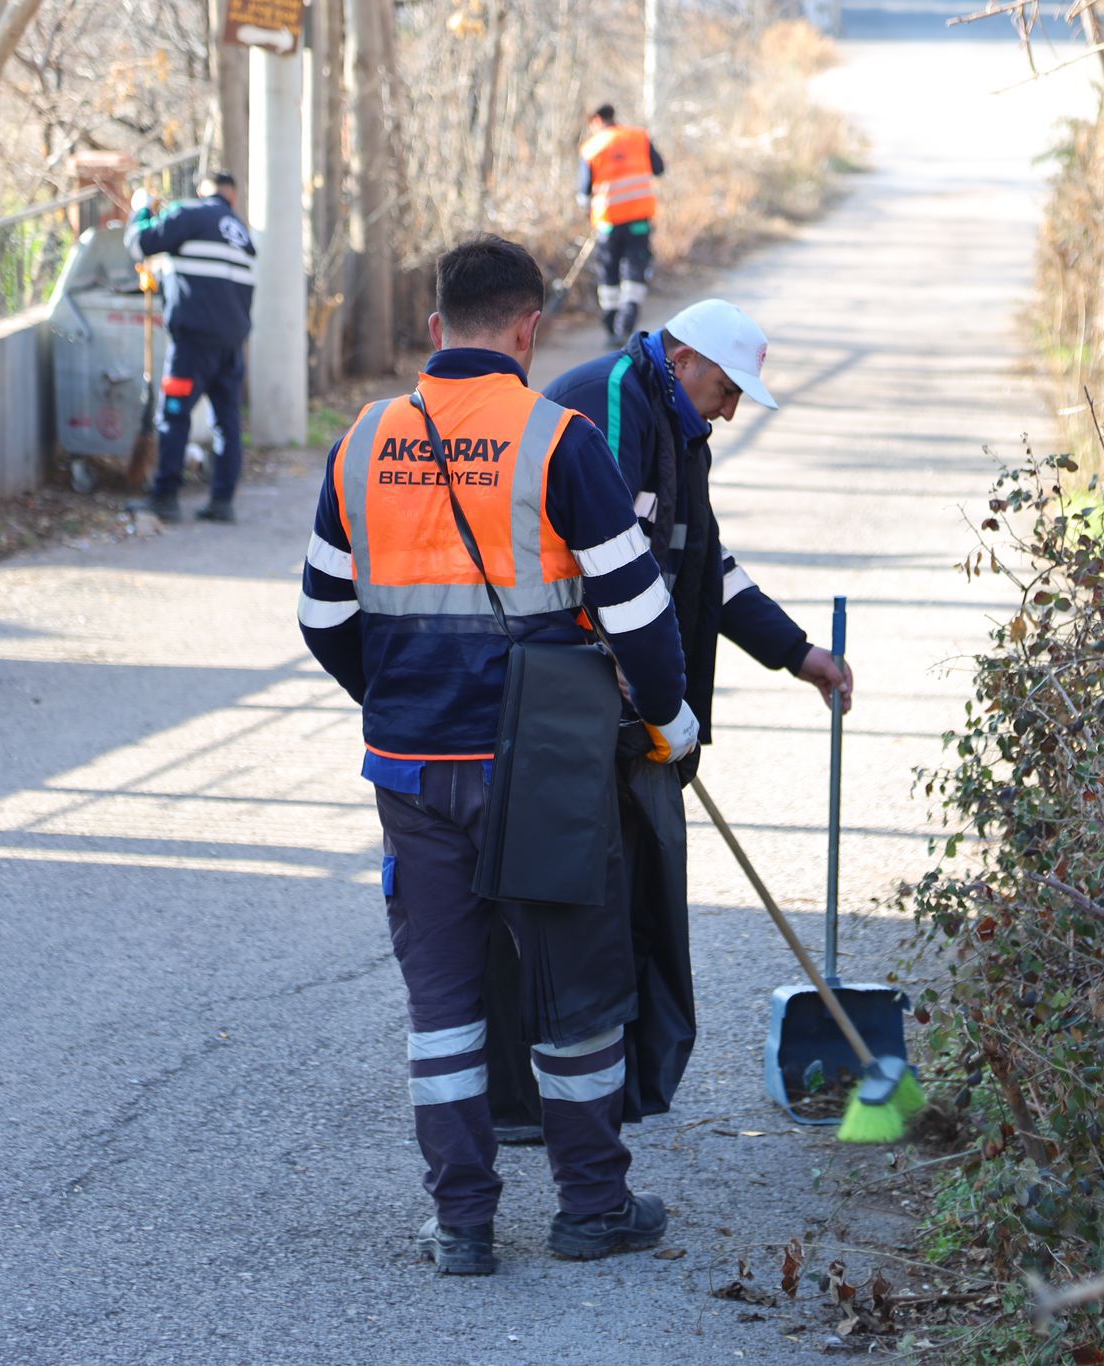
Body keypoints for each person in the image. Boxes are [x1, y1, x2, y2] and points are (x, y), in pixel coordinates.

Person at [297, 233, 700, 1275]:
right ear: (528, 331)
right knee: (572, 993)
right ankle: (589, 1208)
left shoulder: (363, 440)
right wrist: (668, 720)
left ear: (435, 329)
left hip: (409, 771)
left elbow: (320, 615)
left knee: (443, 1006)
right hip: (543, 773)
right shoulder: (559, 442)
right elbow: (640, 614)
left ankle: (463, 1223)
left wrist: (392, 696)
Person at [483, 298, 852, 1141]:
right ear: (681, 358)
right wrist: (650, 703)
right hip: (581, 712)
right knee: (585, 915)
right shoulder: (611, 403)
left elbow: (705, 567)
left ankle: (614, 1097)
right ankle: (547, 1110)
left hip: (642, 714)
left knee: (644, 907)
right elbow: (606, 571)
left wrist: (799, 654)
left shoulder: (684, 435)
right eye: (725, 388)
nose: (728, 409)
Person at [124, 171, 254, 524]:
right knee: (227, 422)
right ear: (234, 198)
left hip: (193, 344)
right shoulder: (244, 235)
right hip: (231, 344)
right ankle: (222, 501)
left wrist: (141, 209)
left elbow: (139, 244)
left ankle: (165, 497)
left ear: (202, 192)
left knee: (174, 415)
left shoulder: (190, 214)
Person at [578, 104, 664, 345]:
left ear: (596, 120)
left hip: (608, 224)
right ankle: (625, 324)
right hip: (638, 221)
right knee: (634, 272)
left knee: (609, 275)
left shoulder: (591, 148)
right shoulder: (639, 137)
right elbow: (659, 168)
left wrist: (588, 210)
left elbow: (583, 193)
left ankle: (610, 325)